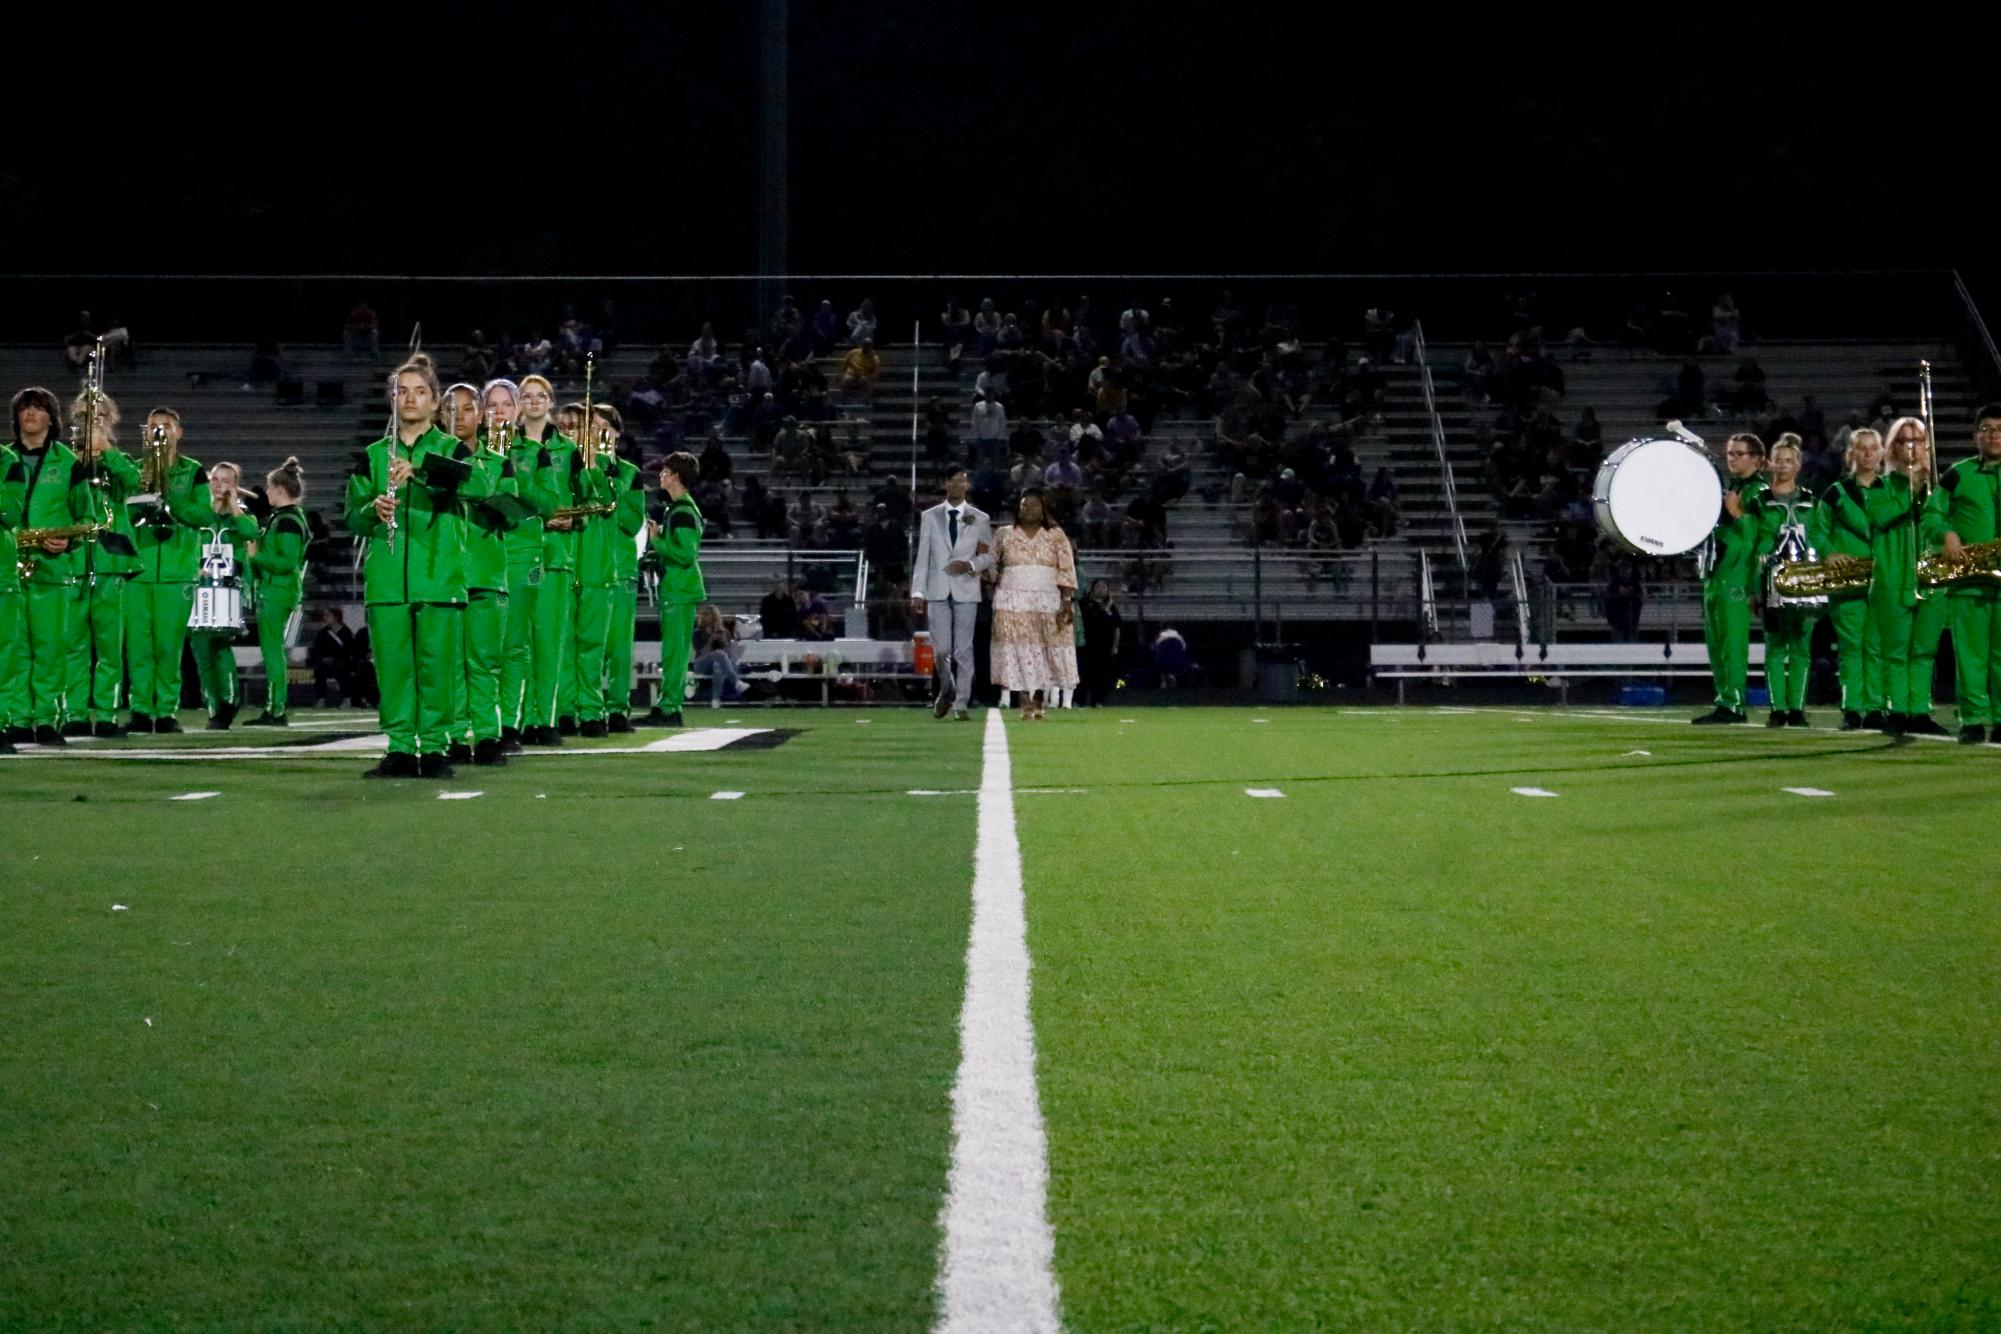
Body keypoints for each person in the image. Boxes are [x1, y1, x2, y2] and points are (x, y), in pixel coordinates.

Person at [343, 356, 493, 778]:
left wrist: (423, 470)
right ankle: (400, 747)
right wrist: (372, 509)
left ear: (434, 404)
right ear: (392, 400)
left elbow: (481, 486)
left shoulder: (451, 449)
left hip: (438, 575)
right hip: (388, 579)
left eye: (419, 391)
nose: (410, 399)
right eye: (401, 391)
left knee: (437, 668)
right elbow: (350, 517)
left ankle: (435, 746)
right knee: (394, 669)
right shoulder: (372, 455)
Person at [9, 388, 93, 745]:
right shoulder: (2, 459)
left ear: (51, 418)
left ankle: (46, 718)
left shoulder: (69, 462)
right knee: (12, 648)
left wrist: (69, 541)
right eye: (24, 408)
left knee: (49, 648)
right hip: (7, 567)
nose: (30, 413)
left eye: (38, 408)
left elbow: (86, 516)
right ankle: (14, 718)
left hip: (51, 568)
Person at [124, 408, 209, 733]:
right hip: (139, 570)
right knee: (139, 648)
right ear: (146, 434)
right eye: (154, 427)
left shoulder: (194, 471)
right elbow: (122, 516)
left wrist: (170, 499)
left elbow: (204, 515)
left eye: (167, 427)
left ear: (179, 432)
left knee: (168, 647)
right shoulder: (133, 470)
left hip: (176, 572)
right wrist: (141, 494)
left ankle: (166, 711)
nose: (160, 433)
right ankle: (141, 709)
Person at [62, 389, 141, 737]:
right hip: (74, 559)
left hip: (111, 560)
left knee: (110, 647)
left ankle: (107, 714)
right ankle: (75, 713)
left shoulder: (118, 459)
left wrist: (106, 452)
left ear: (110, 422)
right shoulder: (64, 460)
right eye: (82, 419)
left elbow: (135, 484)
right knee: (73, 644)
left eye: (96, 418)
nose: (89, 425)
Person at [1865, 416, 1947, 736]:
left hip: (1930, 575)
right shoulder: (1881, 485)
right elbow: (1880, 518)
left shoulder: (1938, 487)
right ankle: (1898, 708)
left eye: (1917, 440)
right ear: (1892, 447)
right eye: (1903, 440)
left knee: (1925, 649)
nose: (1910, 447)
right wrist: (1910, 489)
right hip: (1893, 577)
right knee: (1896, 651)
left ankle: (1920, 710)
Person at [519, 377, 584, 747]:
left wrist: (574, 517)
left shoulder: (569, 451)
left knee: (549, 642)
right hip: (514, 553)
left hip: (556, 555)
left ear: (551, 402)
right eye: (525, 396)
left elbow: (585, 500)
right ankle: (517, 719)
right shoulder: (503, 445)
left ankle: (544, 717)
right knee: (517, 644)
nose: (533, 402)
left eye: (539, 396)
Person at [1930, 404, 2001, 743]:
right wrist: (1947, 534)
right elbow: (1932, 514)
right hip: (1970, 581)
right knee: (1971, 658)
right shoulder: (1957, 474)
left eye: (1999, 429)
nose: (1993, 435)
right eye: (1986, 429)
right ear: (1976, 435)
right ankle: (1973, 719)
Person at [493, 377, 556, 751]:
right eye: (493, 405)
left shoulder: (537, 453)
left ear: (516, 411)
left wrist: (516, 479)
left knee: (513, 644)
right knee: (480, 646)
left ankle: (506, 724)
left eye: (506, 404)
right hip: (480, 554)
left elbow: (550, 503)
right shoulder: (469, 450)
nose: (499, 412)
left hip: (521, 555)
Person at [1811, 428, 1883, 729]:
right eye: (1860, 449)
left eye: (1872, 448)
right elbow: (1817, 530)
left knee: (1877, 646)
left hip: (1883, 581)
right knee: (1851, 648)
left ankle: (1877, 706)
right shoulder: (1836, 492)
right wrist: (1828, 552)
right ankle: (1853, 708)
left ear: (1881, 454)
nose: (1866, 454)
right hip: (1847, 582)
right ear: (1849, 454)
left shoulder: (1891, 489)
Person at [1693, 433, 1768, 724]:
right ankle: (1724, 699)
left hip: (1736, 576)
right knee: (1717, 643)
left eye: (1740, 454)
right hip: (1717, 574)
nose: (1733, 459)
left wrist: (1737, 513)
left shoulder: (1759, 490)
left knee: (1733, 643)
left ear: (1756, 459)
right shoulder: (1732, 487)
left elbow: (1760, 537)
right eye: (1730, 454)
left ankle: (1734, 703)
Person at [911, 468, 995, 721]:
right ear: (944, 484)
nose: (958, 485)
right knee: (941, 650)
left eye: (963, 481)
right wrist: (917, 591)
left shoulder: (980, 518)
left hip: (966, 589)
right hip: (937, 589)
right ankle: (947, 690)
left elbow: (989, 555)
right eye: (953, 481)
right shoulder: (930, 516)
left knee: (964, 650)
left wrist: (970, 566)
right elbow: (922, 556)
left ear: (968, 485)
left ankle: (960, 702)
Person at [990, 487, 1079, 721]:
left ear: (1043, 509)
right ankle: (1023, 700)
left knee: (1044, 649)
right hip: (1011, 599)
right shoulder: (1004, 534)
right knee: (1016, 648)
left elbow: (1066, 569)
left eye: (1034, 505)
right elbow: (990, 565)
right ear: (1018, 508)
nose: (1029, 509)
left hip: (1047, 598)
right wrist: (988, 580)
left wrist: (1067, 601)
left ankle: (1039, 696)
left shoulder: (1056, 535)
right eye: (1024, 505)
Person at [187, 462, 259, 729]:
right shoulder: (201, 513)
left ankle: (229, 702)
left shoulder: (241, 514)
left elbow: (251, 533)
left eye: (226, 480)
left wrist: (233, 507)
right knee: (201, 649)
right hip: (199, 588)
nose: (219, 485)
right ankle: (214, 708)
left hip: (228, 588)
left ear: (235, 485)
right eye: (215, 480)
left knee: (220, 644)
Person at [1752, 436, 1818, 727]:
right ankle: (1778, 708)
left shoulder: (1810, 500)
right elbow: (1753, 546)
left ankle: (1797, 709)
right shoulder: (1759, 501)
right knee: (1776, 646)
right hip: (1771, 581)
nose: (1783, 465)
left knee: (1801, 646)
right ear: (1769, 463)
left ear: (1799, 465)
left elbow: (1819, 539)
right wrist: (1755, 588)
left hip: (1804, 580)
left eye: (1788, 460)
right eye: (1778, 459)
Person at [242, 458, 311, 727]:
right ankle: (274, 707)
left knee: (272, 652)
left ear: (280, 490)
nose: (266, 493)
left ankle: (276, 709)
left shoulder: (288, 520)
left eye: (270, 489)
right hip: (275, 590)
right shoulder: (284, 518)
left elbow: (286, 563)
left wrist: (256, 557)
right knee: (272, 650)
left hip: (278, 591)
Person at [647, 451, 706, 726]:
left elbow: (685, 554)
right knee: (673, 652)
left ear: (676, 477)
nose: (661, 475)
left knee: (674, 652)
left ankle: (670, 707)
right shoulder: (680, 508)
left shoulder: (682, 510)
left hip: (679, 589)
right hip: (679, 589)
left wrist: (656, 541)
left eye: (665, 472)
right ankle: (667, 704)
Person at [1078, 577, 1123, 706]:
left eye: (1104, 587)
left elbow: (1116, 627)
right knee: (1084, 675)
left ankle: (1099, 701)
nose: (1101, 590)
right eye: (1098, 587)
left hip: (1104, 647)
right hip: (1087, 646)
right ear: (1092, 589)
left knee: (1102, 676)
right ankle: (1080, 701)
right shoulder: (1085, 604)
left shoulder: (1111, 607)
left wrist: (1115, 646)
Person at [691, 604, 745, 704]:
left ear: (714, 616)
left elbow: (728, 653)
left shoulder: (724, 632)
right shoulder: (697, 633)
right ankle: (736, 681)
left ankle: (715, 699)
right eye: (702, 614)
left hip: (720, 664)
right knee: (719, 654)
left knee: (718, 667)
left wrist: (724, 643)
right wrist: (711, 640)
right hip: (701, 664)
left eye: (706, 614)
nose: (703, 617)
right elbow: (700, 652)